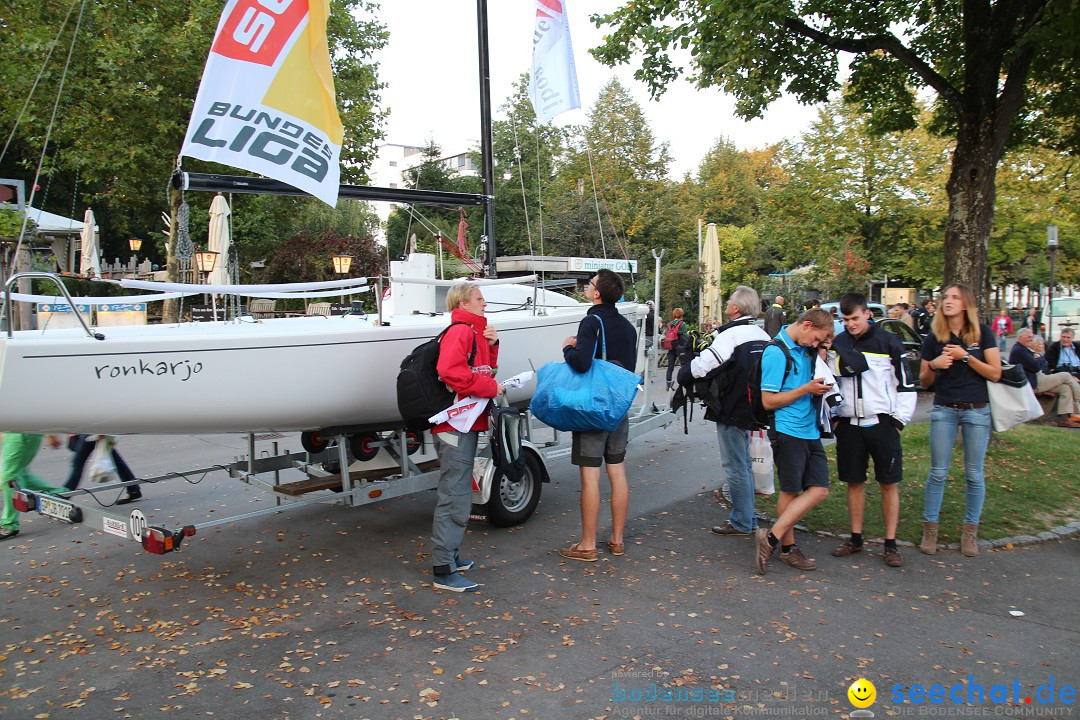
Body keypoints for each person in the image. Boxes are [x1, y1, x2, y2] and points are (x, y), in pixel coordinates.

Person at [829, 293, 917, 567]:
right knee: (854, 482)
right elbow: (832, 381)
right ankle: (855, 538)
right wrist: (835, 417)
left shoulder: (888, 341)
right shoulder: (839, 342)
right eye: (845, 320)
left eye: (854, 318)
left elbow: (906, 385)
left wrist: (899, 421)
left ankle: (890, 544)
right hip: (850, 425)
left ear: (867, 314)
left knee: (888, 483)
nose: (850, 324)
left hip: (882, 423)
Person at [558, 269, 637, 562]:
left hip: (594, 407)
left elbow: (580, 363)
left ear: (598, 293)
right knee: (617, 471)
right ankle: (617, 540)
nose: (586, 287)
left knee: (590, 477)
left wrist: (569, 347)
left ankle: (588, 545)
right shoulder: (629, 327)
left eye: (590, 284)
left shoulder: (592, 321)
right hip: (619, 406)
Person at [919, 284, 1001, 558]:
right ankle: (930, 530)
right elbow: (924, 380)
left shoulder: (982, 333)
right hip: (944, 409)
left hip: (977, 410)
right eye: (945, 298)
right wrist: (935, 364)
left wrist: (965, 356)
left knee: (974, 474)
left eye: (954, 298)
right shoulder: (934, 337)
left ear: (966, 304)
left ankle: (970, 533)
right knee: (938, 472)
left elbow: (995, 373)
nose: (948, 302)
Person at [429, 282, 502, 592]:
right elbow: (451, 372)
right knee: (455, 494)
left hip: (463, 423)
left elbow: (486, 371)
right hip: (455, 425)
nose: (485, 303)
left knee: (457, 491)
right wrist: (489, 389)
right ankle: (443, 568)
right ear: (465, 302)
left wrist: (494, 344)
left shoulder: (474, 331)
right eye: (480, 298)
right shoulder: (461, 330)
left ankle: (451, 556)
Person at [681, 286, 770, 537]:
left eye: (730, 301)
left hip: (731, 405)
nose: (727, 304)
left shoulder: (731, 335)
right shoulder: (761, 334)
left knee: (735, 465)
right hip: (754, 406)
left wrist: (684, 372)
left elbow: (705, 364)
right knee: (743, 464)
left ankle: (742, 521)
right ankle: (748, 517)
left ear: (736, 308)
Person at [754, 308, 836, 574]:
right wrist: (806, 389)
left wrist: (824, 345)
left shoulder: (806, 348)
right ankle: (787, 549)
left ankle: (771, 538)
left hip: (809, 429)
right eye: (816, 339)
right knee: (790, 491)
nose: (816, 345)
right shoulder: (777, 353)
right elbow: (768, 401)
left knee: (820, 489)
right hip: (787, 431)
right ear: (806, 325)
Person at [1009, 328, 1080, 428]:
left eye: (1032, 337)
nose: (1031, 339)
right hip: (1032, 381)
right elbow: (1036, 366)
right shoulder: (1019, 350)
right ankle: (1078, 401)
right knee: (1066, 376)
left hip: (1037, 378)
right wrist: (1039, 359)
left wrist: (1039, 358)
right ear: (1021, 337)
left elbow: (1041, 362)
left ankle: (1064, 419)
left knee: (1065, 388)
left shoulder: (1024, 349)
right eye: (1029, 337)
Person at [1, 434, 64, 542]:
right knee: (20, 473)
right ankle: (58, 494)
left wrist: (50, 434)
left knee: (9, 477)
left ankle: (9, 525)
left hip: (18, 432)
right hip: (26, 432)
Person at [63, 435, 143, 503]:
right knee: (112, 456)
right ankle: (133, 488)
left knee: (78, 462)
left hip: (92, 429)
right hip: (92, 429)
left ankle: (65, 494)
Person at [663, 308, 688, 390]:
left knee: (670, 366)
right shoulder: (682, 324)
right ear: (682, 315)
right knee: (683, 365)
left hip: (671, 346)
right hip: (680, 346)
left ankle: (668, 384)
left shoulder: (669, 324)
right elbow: (684, 336)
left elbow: (665, 334)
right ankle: (683, 383)